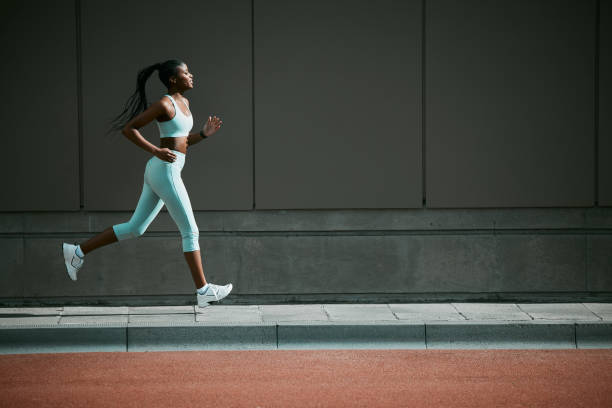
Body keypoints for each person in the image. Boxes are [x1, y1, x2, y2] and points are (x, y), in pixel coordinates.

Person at [62, 58, 232, 308]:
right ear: (173, 79)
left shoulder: (184, 102)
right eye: (186, 73)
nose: (191, 75)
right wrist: (155, 150)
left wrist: (203, 135)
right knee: (190, 231)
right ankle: (203, 290)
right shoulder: (164, 103)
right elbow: (130, 129)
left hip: (163, 169)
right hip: (165, 170)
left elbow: (181, 142)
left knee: (135, 228)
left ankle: (76, 252)